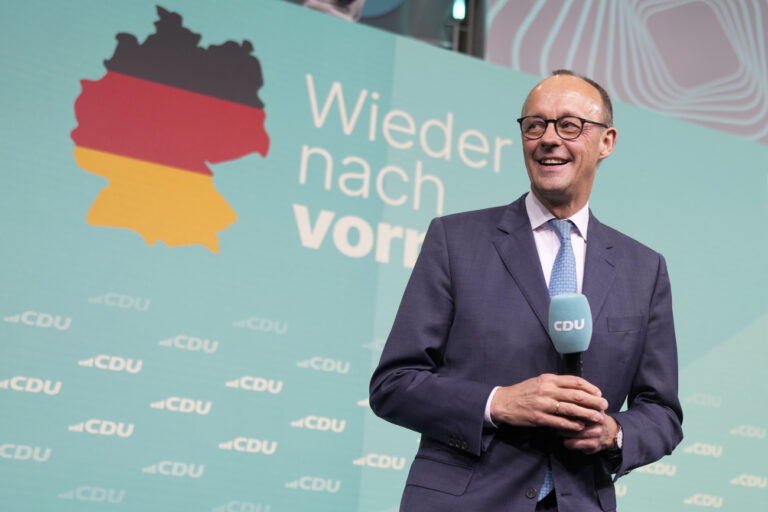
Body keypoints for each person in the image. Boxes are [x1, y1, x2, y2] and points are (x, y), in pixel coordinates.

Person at [369, 70, 683, 511]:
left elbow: (662, 412)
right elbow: (393, 384)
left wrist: (614, 433)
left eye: (570, 125)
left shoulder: (644, 269)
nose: (549, 139)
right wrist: (498, 403)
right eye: (535, 125)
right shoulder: (455, 241)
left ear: (607, 141)